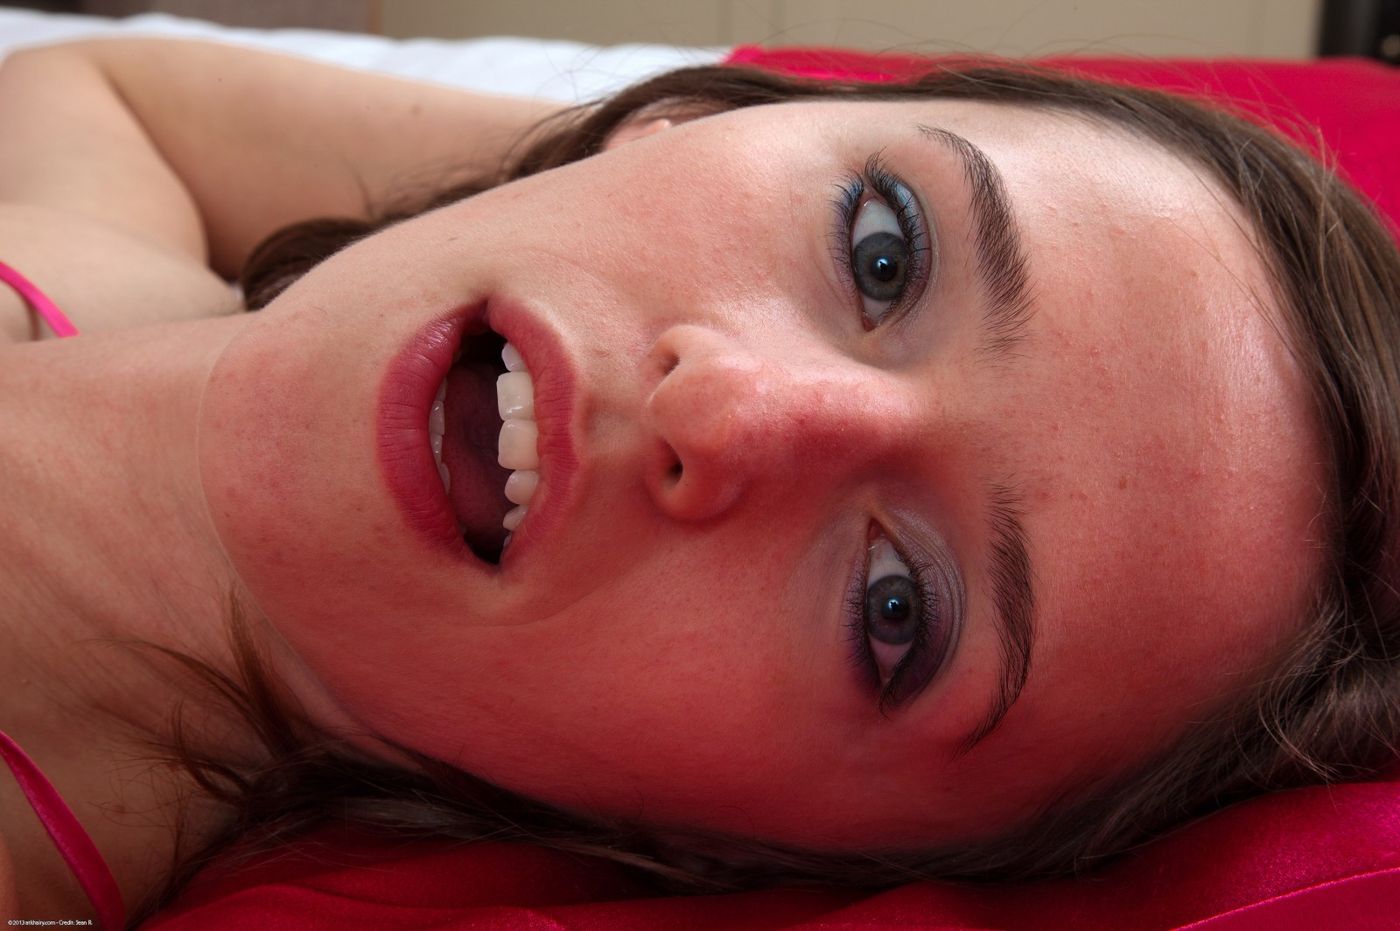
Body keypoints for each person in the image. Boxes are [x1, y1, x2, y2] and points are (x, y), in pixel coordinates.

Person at [1, 35, 1398, 926]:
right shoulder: (108, 244)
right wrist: (606, 170)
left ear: (727, 852)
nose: (728, 409)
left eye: (896, 611)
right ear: (702, 118)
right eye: (883, 249)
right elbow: (98, 89)